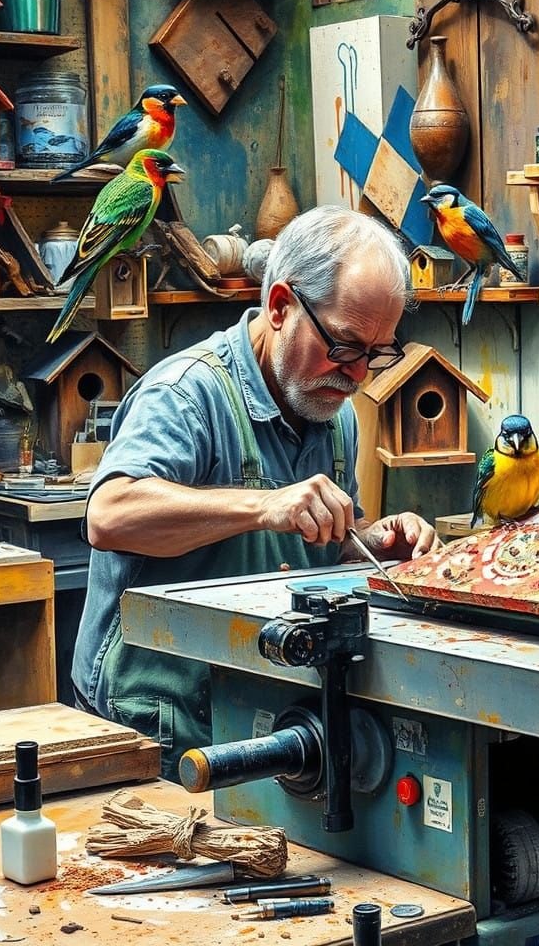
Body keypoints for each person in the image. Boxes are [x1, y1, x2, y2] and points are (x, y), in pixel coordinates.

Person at [71, 206, 439, 777]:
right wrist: (266, 505)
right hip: (152, 726)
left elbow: (316, 541)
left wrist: (366, 541)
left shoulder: (332, 409)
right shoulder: (186, 395)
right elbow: (109, 515)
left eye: (377, 351)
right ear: (280, 307)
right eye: (343, 346)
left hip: (262, 709)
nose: (359, 373)